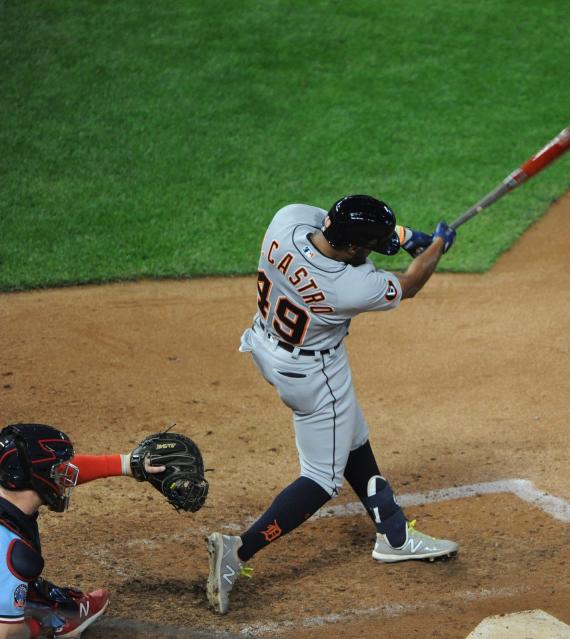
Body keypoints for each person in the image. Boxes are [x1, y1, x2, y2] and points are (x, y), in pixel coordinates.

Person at [206, 195, 459, 614]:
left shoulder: (284, 220)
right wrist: (435, 247)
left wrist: (408, 237)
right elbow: (409, 284)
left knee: (352, 435)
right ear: (358, 249)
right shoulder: (348, 287)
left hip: (266, 344)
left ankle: (393, 533)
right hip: (314, 374)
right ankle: (238, 553)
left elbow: (342, 235)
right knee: (321, 478)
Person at [0, 423, 167, 638]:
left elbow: (46, 470)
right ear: (40, 475)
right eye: (61, 470)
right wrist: (38, 628)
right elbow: (6, 633)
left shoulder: (9, 482)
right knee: (22, 620)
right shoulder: (14, 553)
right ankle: (53, 621)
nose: (66, 475)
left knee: (21, 592)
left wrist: (127, 464)